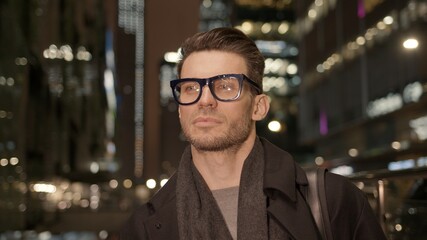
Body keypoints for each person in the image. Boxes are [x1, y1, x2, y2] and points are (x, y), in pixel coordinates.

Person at [120, 27, 387, 240]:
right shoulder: (144, 226)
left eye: (225, 86)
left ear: (259, 107)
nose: (205, 100)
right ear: (180, 109)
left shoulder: (331, 199)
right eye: (190, 88)